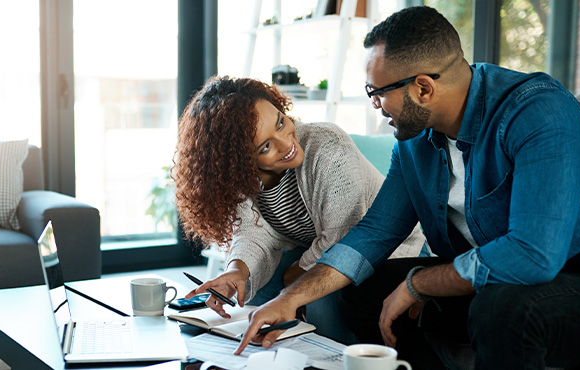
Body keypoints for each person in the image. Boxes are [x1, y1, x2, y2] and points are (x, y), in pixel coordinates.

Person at [233, 6, 580, 369]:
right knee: (354, 289)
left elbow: (535, 255)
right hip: (495, 282)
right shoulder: (416, 141)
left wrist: (419, 283)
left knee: (502, 309)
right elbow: (373, 234)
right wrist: (288, 300)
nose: (373, 104)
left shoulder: (537, 112)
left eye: (375, 92)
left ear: (423, 88)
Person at [171, 76, 427, 344]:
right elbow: (253, 233)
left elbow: (343, 238)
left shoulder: (328, 147)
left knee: (318, 298)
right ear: (240, 162)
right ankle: (266, 354)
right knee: (256, 292)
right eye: (266, 147)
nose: (285, 143)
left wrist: (294, 279)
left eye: (281, 122)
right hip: (314, 250)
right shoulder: (242, 179)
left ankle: (333, 357)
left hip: (384, 250)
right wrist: (236, 271)